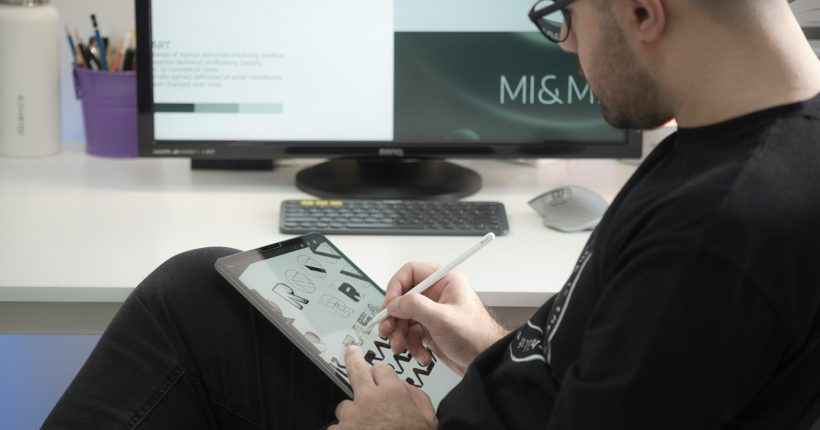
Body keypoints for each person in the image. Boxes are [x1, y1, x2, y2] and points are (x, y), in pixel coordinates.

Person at [44, 0, 820, 429]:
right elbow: (633, 376)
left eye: (567, 14)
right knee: (201, 292)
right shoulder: (734, 138)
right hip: (493, 404)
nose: (567, 43)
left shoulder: (722, 232)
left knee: (187, 312)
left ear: (646, 10)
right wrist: (494, 346)